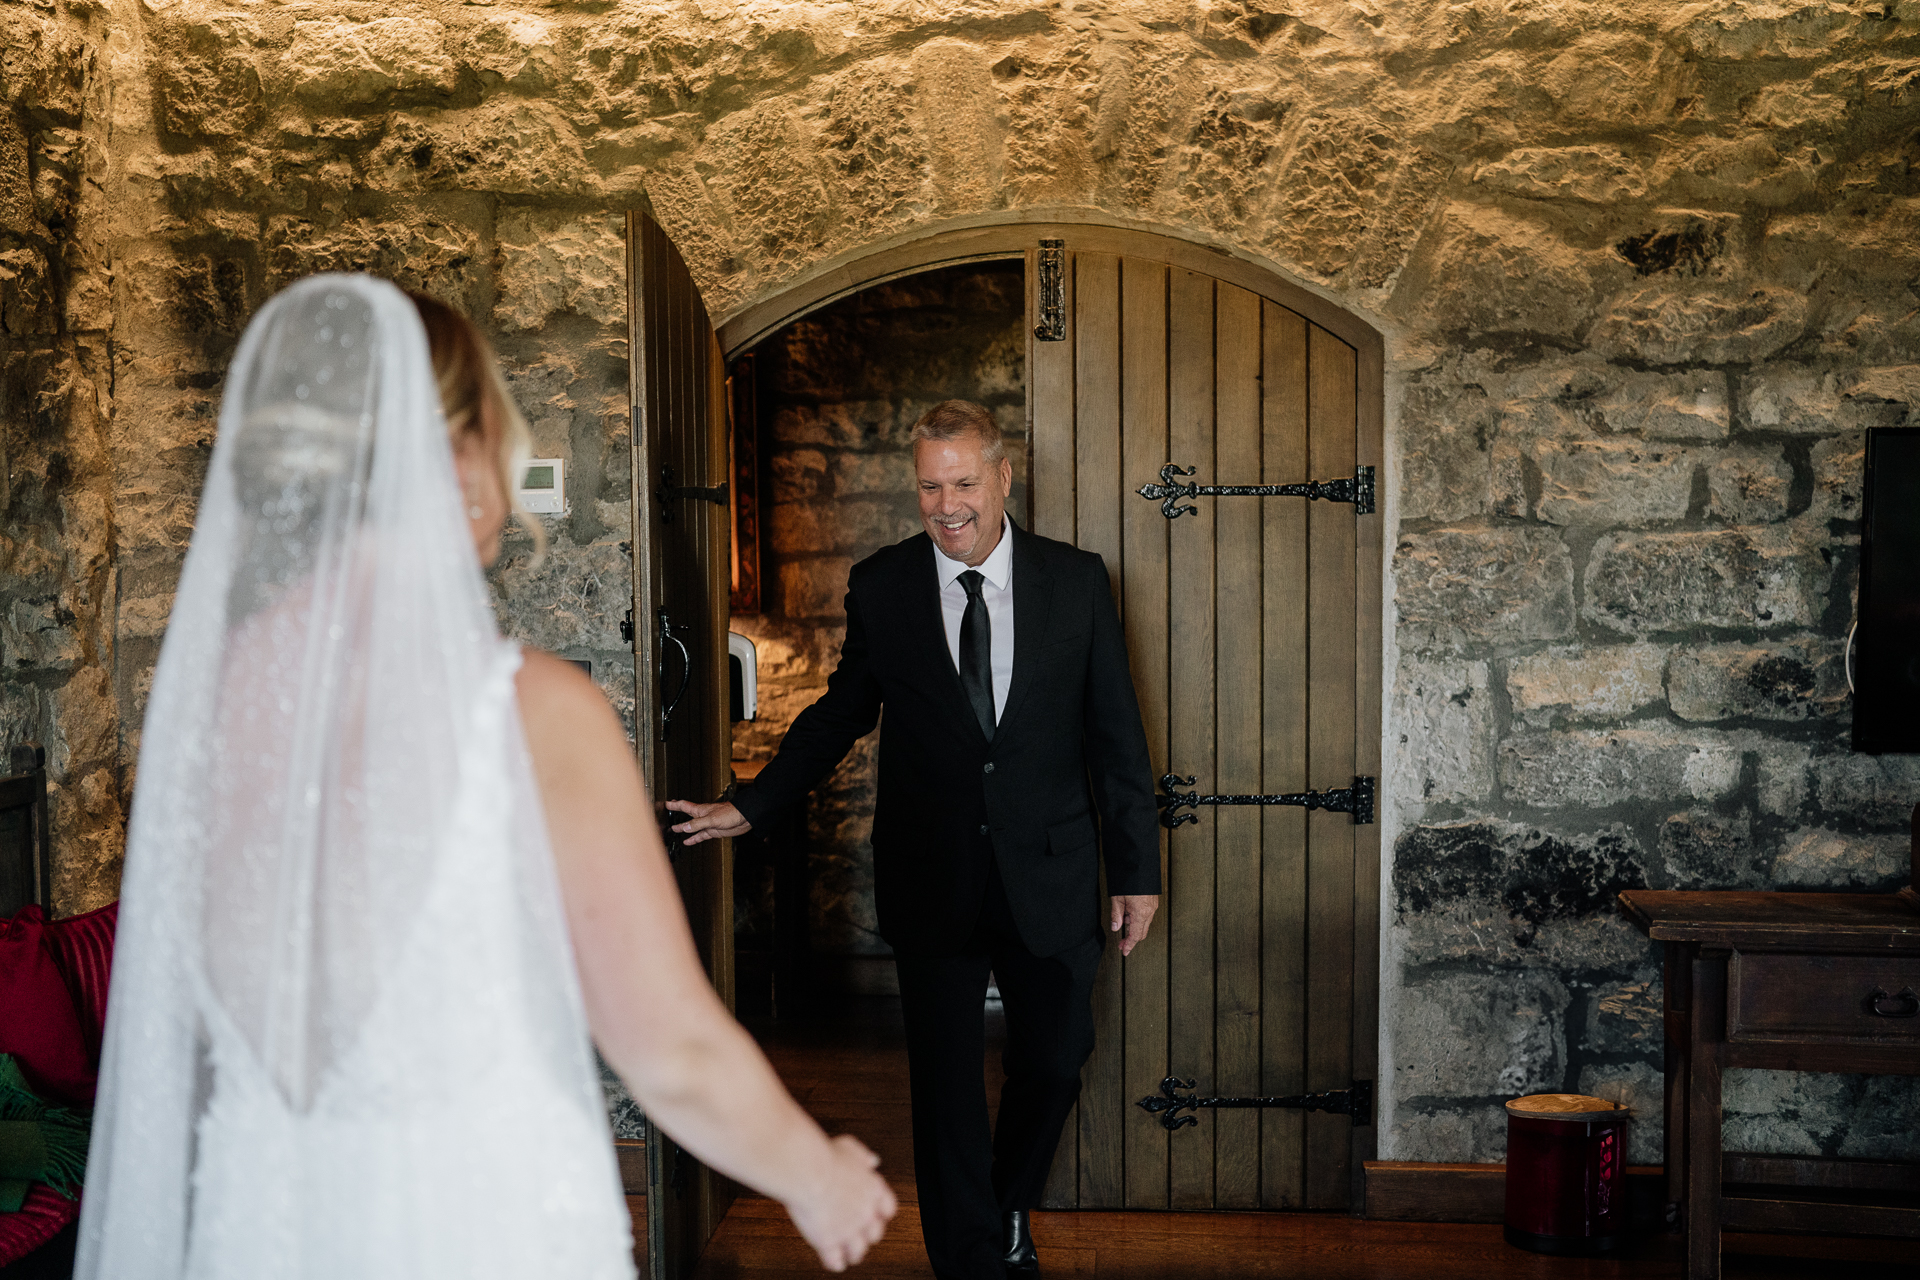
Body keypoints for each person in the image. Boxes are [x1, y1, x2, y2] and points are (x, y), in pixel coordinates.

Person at [74, 275, 893, 1280]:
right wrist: (819, 1171)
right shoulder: (526, 708)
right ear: (458, 458)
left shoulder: (207, 702)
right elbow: (670, 1047)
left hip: (263, 1217)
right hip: (467, 1216)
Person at [667, 400, 1160, 1280]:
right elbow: (842, 713)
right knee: (945, 1091)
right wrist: (756, 803)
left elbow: (1116, 738)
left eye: (964, 482)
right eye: (930, 485)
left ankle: (1003, 1208)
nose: (947, 504)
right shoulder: (884, 585)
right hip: (932, 875)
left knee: (1055, 1062)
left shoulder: (1076, 582)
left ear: (1004, 479)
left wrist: (1137, 873)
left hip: (1049, 873)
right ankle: (971, 1262)